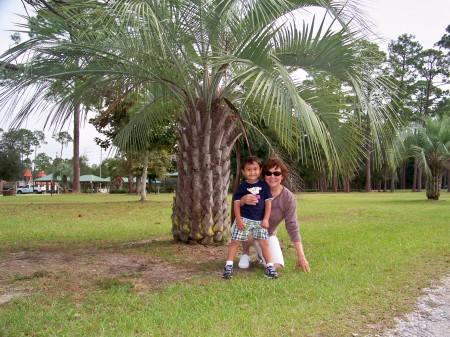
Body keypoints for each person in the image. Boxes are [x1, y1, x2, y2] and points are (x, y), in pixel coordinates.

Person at [238, 157, 310, 272]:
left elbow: (292, 226)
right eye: (268, 173)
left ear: (282, 176)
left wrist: (301, 257)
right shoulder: (254, 189)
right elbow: (238, 210)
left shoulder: (288, 198)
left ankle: (260, 255)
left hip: (268, 235)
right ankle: (245, 251)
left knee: (277, 266)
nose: (272, 177)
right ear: (264, 175)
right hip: (250, 231)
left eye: (276, 173)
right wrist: (243, 200)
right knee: (248, 233)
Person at [222, 155, 279, 279]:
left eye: (255, 169)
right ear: (243, 171)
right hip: (245, 219)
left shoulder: (264, 186)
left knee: (264, 242)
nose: (252, 172)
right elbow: (236, 204)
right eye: (248, 169)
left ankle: (270, 267)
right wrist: (238, 219)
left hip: (259, 220)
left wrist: (265, 219)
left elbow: (268, 203)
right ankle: (228, 266)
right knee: (235, 241)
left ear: (260, 170)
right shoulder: (241, 187)